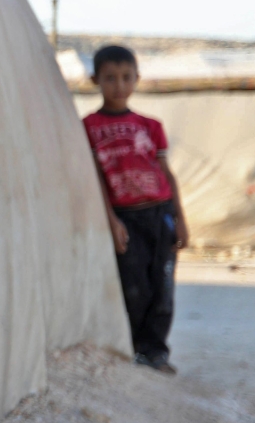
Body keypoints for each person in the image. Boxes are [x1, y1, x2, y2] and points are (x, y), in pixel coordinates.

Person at [83, 45, 188, 375]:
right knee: (134, 287)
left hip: (160, 213)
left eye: (126, 77)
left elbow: (167, 173)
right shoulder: (88, 126)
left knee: (163, 286)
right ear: (95, 80)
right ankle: (133, 347)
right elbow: (96, 178)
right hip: (125, 217)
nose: (119, 85)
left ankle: (156, 352)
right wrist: (110, 220)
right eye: (110, 78)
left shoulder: (150, 125)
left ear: (137, 79)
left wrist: (181, 219)